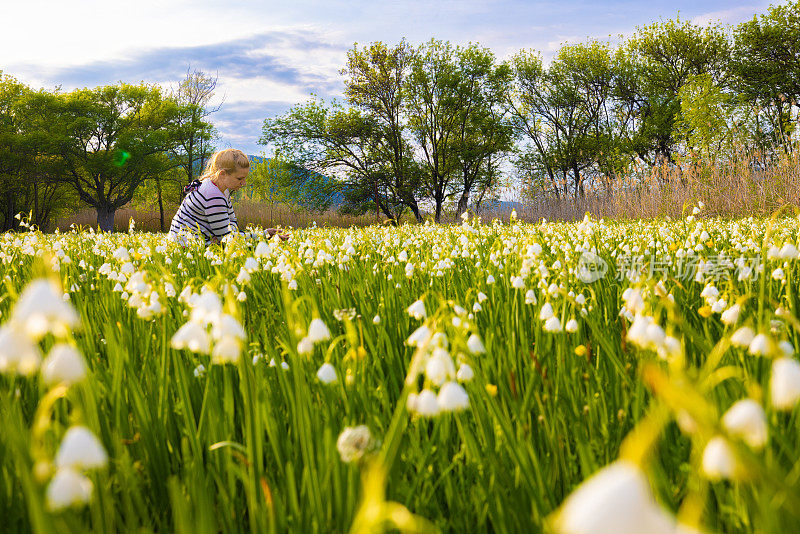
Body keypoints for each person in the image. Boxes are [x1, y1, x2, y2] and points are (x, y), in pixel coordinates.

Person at [168, 148, 288, 244]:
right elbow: (228, 238)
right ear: (223, 174)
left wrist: (263, 235)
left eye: (245, 178)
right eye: (240, 178)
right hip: (186, 245)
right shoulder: (213, 195)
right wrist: (265, 235)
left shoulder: (218, 188)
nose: (244, 183)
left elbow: (232, 223)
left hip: (185, 241)